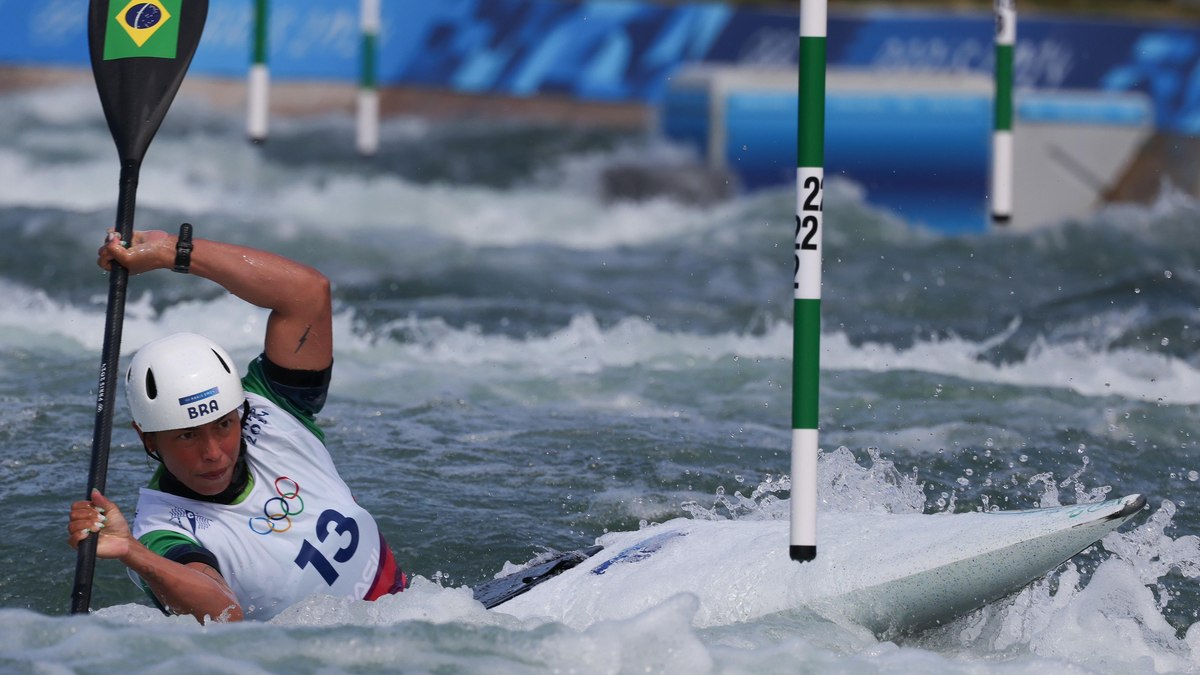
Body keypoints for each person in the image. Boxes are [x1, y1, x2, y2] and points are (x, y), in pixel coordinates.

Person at [66, 226, 406, 622]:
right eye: (187, 435)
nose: (213, 453)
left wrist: (173, 253)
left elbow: (307, 295)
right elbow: (225, 614)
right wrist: (132, 552)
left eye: (224, 426)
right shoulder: (162, 530)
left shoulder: (273, 408)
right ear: (148, 438)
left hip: (416, 612)